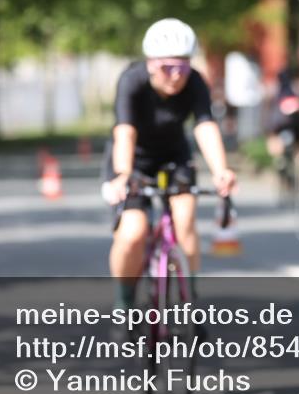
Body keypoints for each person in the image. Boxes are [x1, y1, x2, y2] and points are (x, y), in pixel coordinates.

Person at [102, 18, 237, 316]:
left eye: (183, 66)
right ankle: (124, 302)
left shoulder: (195, 82)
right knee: (133, 233)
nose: (176, 76)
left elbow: (205, 127)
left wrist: (220, 171)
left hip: (173, 156)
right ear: (151, 64)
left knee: (185, 219)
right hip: (132, 160)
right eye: (167, 68)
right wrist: (123, 176)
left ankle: (189, 300)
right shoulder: (132, 80)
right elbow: (124, 131)